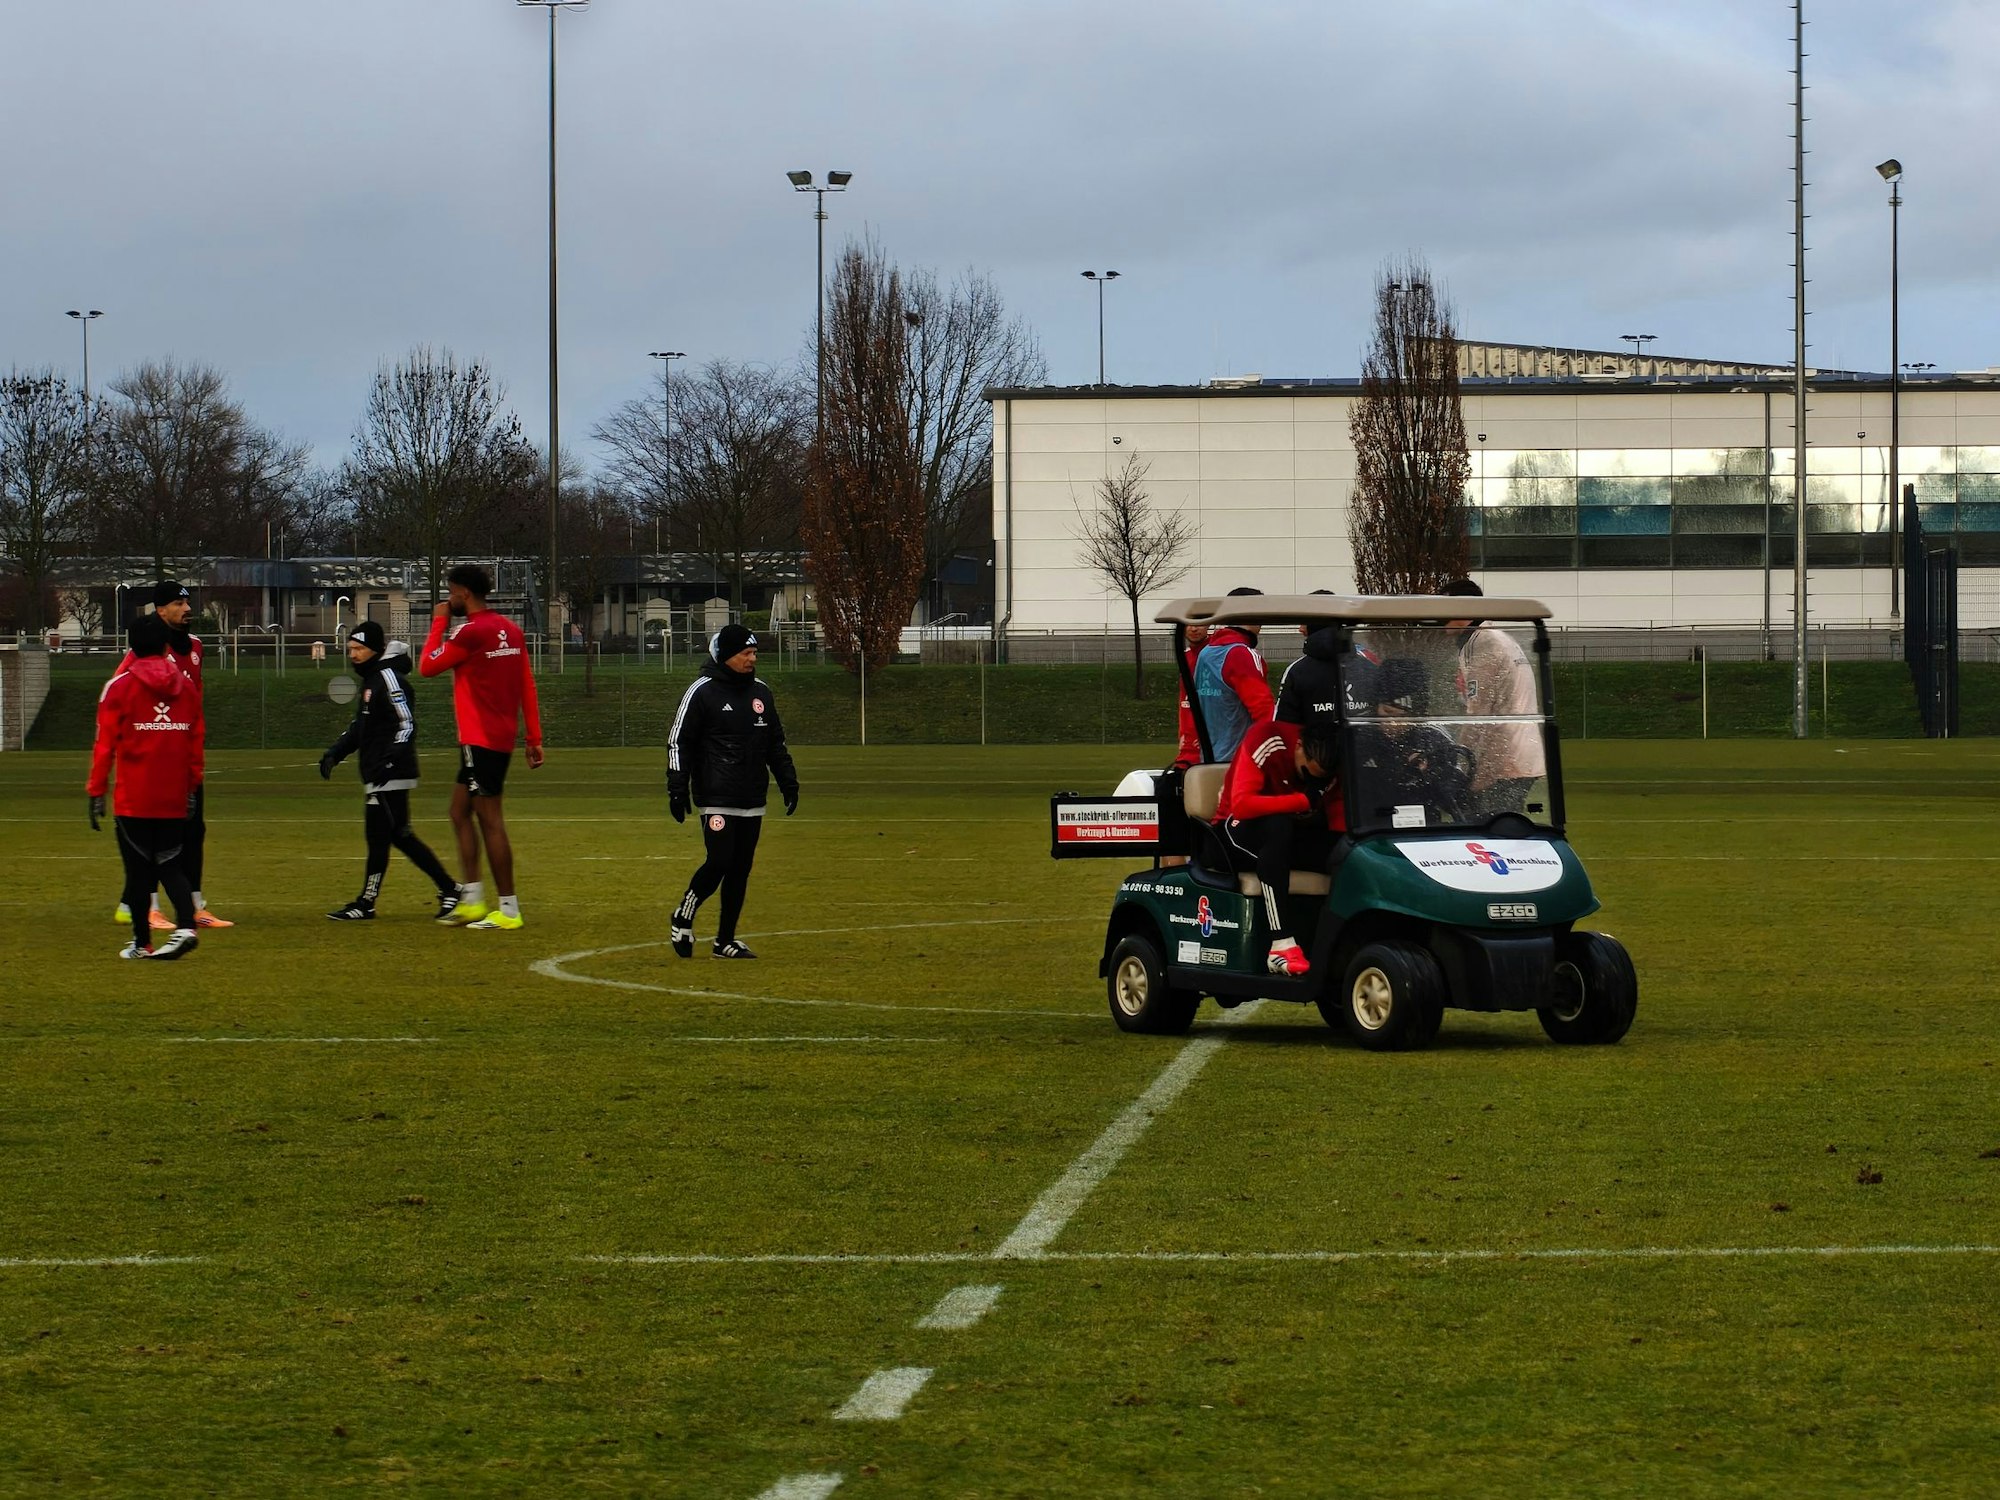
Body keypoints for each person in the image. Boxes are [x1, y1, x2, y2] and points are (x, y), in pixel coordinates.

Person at [418, 564, 544, 930]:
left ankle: (508, 910)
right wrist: (533, 738)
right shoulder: (510, 630)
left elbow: (427, 666)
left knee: (490, 820)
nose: (447, 599)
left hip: (480, 738)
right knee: (459, 812)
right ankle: (472, 901)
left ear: (463, 593)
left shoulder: (469, 633)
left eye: (450, 592)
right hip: (498, 737)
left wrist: (438, 622)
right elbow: (527, 684)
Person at [666, 624, 799, 960]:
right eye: (746, 653)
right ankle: (684, 914)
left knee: (740, 868)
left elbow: (775, 744)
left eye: (754, 653)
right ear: (727, 656)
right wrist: (677, 788)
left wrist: (788, 781)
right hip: (716, 795)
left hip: (752, 797)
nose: (752, 659)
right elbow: (678, 742)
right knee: (720, 861)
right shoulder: (702, 692)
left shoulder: (762, 694)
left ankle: (725, 941)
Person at [318, 621, 462, 922]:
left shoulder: (386, 678)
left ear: (375, 649)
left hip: (390, 775)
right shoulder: (372, 681)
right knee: (398, 836)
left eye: (359, 649)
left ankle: (369, 902)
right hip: (380, 773)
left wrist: (389, 762)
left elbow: (406, 723)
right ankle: (448, 889)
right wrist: (336, 752)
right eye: (351, 650)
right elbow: (361, 727)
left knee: (383, 836)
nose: (354, 655)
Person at [112, 582, 233, 931]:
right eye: (178, 603)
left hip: (183, 757)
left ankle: (197, 907)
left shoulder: (196, 647)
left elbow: (196, 694)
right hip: (151, 758)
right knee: (153, 837)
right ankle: (149, 908)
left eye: (187, 601)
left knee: (194, 830)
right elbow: (119, 688)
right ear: (160, 609)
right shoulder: (146, 648)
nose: (186, 608)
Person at [88, 615, 202, 960]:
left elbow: (104, 745)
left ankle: (142, 942)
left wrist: (96, 791)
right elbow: (196, 743)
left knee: (138, 871)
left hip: (134, 797)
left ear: (132, 647)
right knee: (170, 863)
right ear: (166, 645)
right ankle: (186, 927)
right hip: (173, 795)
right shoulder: (187, 687)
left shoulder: (119, 687)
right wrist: (192, 787)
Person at [1214, 714, 1339, 977]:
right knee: (1278, 827)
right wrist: (1302, 801)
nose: (1311, 783)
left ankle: (1340, 942)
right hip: (1232, 830)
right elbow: (1242, 805)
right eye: (1307, 773)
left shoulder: (1334, 760)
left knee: (1346, 850)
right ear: (1298, 747)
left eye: (1319, 780)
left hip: (1286, 835)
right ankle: (1280, 944)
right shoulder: (1267, 739)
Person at [1441, 578, 1546, 817]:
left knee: (1490, 829)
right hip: (1515, 755)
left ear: (1465, 610)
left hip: (1506, 760)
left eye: (1445, 610)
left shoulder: (1485, 642)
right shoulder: (1486, 638)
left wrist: (1459, 763)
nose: (1440, 618)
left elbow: (1478, 713)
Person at [1193, 586, 1273, 762]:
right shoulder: (1242, 654)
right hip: (1238, 762)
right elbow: (1264, 711)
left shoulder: (1206, 653)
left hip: (1209, 759)